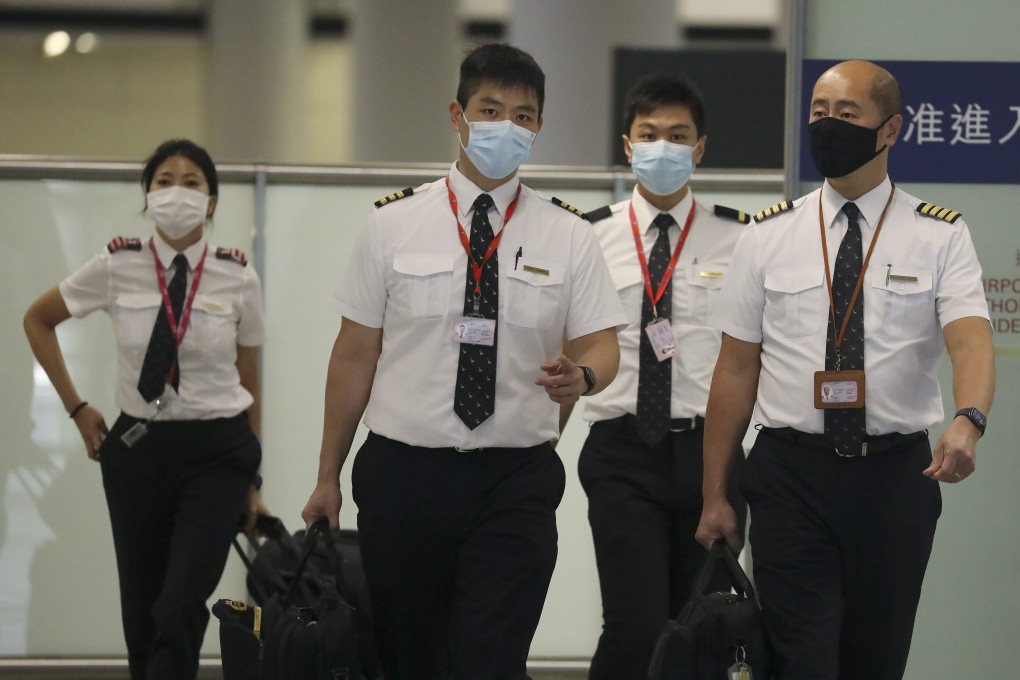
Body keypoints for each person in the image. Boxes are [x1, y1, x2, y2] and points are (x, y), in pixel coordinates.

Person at [301, 43, 626, 680]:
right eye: (491, 109)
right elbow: (354, 356)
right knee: (409, 655)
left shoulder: (569, 235)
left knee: (491, 658)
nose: (507, 126)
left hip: (515, 480)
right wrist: (326, 475)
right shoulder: (393, 225)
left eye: (524, 116)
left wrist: (584, 377)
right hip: (404, 475)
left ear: (538, 128)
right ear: (458, 114)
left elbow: (603, 345)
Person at [696, 60, 995, 680]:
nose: (828, 126)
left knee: (875, 655)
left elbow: (969, 341)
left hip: (893, 476)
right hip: (788, 473)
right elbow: (735, 370)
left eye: (846, 115)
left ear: (890, 130)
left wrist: (969, 420)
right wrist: (716, 493)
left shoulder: (939, 236)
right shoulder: (766, 235)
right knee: (801, 657)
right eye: (819, 113)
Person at [23, 139, 268, 680]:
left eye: (191, 181)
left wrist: (252, 478)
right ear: (147, 197)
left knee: (178, 605)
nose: (176, 190)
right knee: (143, 612)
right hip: (138, 450)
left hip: (219, 452)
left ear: (211, 202)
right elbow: (37, 320)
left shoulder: (238, 275)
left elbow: (250, 378)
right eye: (163, 180)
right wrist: (77, 408)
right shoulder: (117, 264)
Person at [562, 74, 748, 679]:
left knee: (701, 623)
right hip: (622, 450)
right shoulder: (589, 236)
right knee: (634, 624)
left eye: (677, 135)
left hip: (707, 450)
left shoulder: (741, 237)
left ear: (699, 148)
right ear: (627, 145)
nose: (662, 147)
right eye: (649, 135)